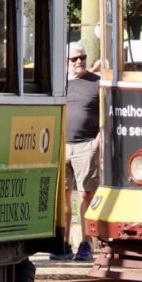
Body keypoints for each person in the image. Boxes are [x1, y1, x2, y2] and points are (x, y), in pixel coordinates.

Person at [51, 42, 100, 262]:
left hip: (86, 146)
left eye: (83, 57)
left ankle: (86, 243)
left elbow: (107, 115)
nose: (80, 61)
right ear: (66, 62)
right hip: (62, 147)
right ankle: (63, 242)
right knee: (63, 197)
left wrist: (97, 143)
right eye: (75, 59)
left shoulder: (96, 83)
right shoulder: (58, 83)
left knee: (85, 195)